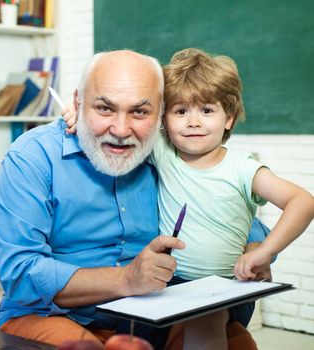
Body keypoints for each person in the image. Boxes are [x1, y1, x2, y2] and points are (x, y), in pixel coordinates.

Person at [0, 50, 269, 350]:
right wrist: (125, 279)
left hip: (152, 317)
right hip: (52, 315)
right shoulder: (33, 157)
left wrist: (255, 247)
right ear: (77, 103)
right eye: (105, 108)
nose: (121, 130)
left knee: (236, 343)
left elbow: (226, 206)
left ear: (160, 114)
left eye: (139, 112)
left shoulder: (167, 155)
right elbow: (20, 273)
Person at [61, 48, 314, 349]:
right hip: (168, 284)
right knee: (135, 328)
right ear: (163, 120)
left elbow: (302, 201)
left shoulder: (243, 168)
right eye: (181, 112)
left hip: (225, 287)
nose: (193, 122)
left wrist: (264, 251)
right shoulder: (162, 153)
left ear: (229, 118)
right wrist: (78, 112)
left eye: (207, 111)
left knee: (202, 323)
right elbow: (123, 125)